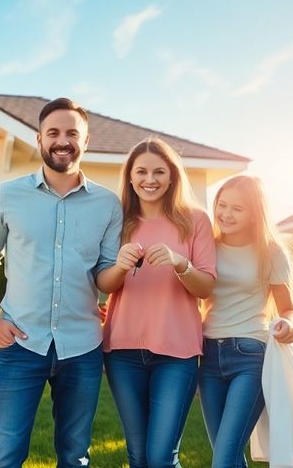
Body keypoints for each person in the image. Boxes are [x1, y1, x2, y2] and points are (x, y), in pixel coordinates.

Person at [0, 97, 122, 468]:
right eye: (53, 132)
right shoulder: (8, 195)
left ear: (85, 142)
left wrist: (120, 273)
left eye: (72, 133)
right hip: (21, 342)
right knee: (5, 455)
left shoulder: (108, 204)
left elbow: (105, 272)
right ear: (39, 139)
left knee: (75, 456)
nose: (62, 140)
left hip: (82, 346)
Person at [95, 138, 217, 468]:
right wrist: (119, 265)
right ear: (131, 177)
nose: (151, 179)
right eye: (142, 172)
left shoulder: (195, 220)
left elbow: (205, 287)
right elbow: (103, 284)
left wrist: (181, 264)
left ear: (172, 176)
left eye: (159, 171)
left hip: (177, 353)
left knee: (161, 456)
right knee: (138, 455)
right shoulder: (117, 221)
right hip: (122, 352)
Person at [197, 175, 293, 468]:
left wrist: (289, 325)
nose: (226, 214)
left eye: (237, 209)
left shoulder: (271, 251)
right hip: (209, 357)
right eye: (222, 205)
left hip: (250, 356)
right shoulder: (206, 247)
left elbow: (289, 309)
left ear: (255, 212)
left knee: (224, 460)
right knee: (226, 456)